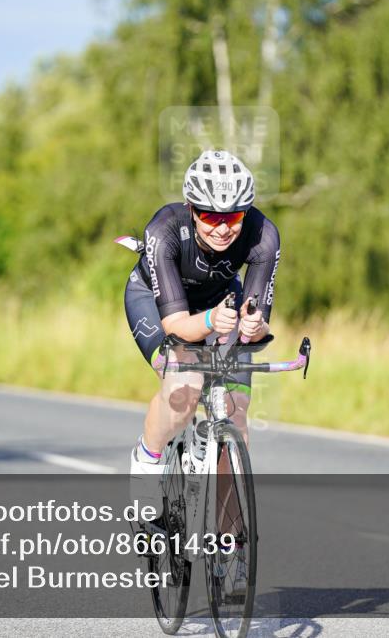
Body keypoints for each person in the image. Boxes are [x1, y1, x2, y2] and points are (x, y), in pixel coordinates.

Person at [123, 149, 281, 516]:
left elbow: (254, 323)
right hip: (156, 300)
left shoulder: (264, 235)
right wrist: (211, 321)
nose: (223, 228)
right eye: (210, 215)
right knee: (185, 387)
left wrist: (255, 326)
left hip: (221, 302)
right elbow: (176, 324)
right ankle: (148, 460)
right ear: (192, 209)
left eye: (234, 216)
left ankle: (227, 536)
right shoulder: (164, 229)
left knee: (236, 412)